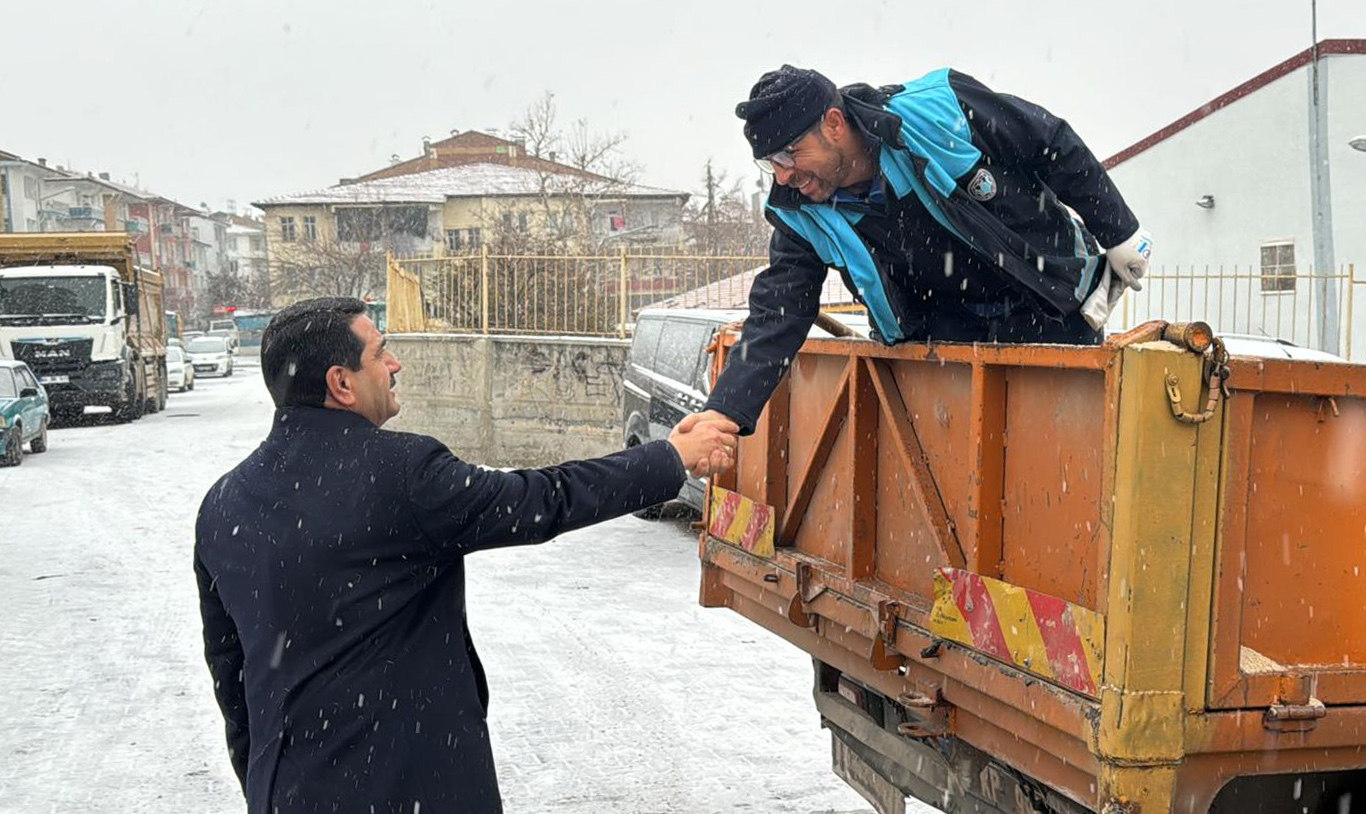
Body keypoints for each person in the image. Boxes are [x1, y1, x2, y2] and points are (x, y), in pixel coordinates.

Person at [194, 296, 737, 814]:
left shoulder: (222, 503)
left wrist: (268, 786)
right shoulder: (402, 473)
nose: (394, 363)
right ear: (341, 383)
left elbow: (232, 677)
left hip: (288, 792)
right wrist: (671, 458)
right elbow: (544, 501)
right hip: (410, 788)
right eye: (379, 353)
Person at [698, 64, 1153, 435]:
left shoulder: (937, 110)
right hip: (943, 344)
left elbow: (1048, 143)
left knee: (1061, 455)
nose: (782, 176)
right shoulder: (803, 214)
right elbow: (778, 310)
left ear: (834, 125)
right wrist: (726, 411)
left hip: (1047, 310)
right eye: (768, 164)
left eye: (788, 156)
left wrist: (1118, 231)